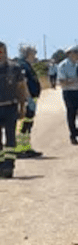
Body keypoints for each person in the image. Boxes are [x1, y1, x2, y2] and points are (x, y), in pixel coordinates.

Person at [0, 42, 31, 178]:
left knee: (10, 137)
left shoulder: (14, 68)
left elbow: (21, 88)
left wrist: (22, 106)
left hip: (10, 107)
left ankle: (9, 165)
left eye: (3, 51)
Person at [57, 46, 78, 144]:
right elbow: (62, 82)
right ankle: (73, 135)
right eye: (76, 52)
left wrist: (74, 80)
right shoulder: (63, 65)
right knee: (71, 114)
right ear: (69, 54)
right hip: (69, 92)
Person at [14, 45, 43, 159]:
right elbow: (23, 83)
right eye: (33, 52)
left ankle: (26, 147)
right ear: (27, 53)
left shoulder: (28, 65)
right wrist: (27, 98)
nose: (35, 54)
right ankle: (19, 149)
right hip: (27, 98)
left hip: (32, 98)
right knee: (23, 124)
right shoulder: (22, 65)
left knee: (28, 124)